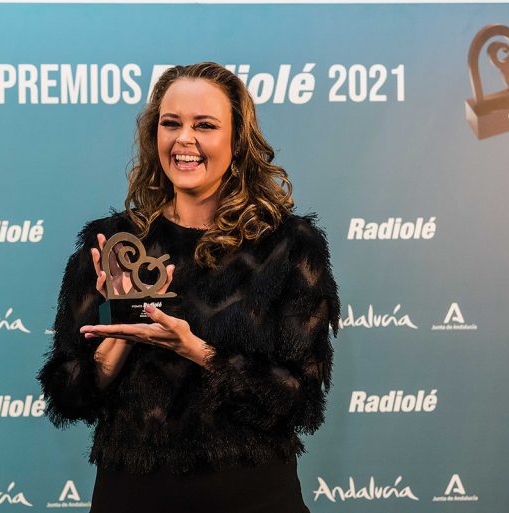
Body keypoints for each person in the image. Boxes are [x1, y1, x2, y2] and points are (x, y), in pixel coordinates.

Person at [37, 62, 340, 513]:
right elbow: (67, 395)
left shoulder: (288, 246)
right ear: (153, 134)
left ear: (237, 140)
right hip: (132, 496)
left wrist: (196, 349)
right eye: (171, 123)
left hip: (252, 497)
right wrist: (122, 329)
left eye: (205, 125)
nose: (184, 139)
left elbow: (300, 399)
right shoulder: (114, 243)